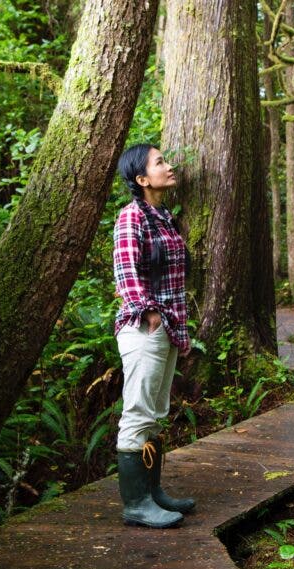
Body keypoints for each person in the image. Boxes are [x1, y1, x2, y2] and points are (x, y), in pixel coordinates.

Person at [112, 143, 194, 528]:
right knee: (138, 412)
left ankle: (153, 492)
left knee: (155, 414)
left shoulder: (165, 217)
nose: (170, 166)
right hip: (144, 329)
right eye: (160, 162)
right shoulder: (132, 217)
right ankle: (136, 504)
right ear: (142, 178)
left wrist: (176, 325)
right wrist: (150, 314)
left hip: (167, 327)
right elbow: (126, 272)